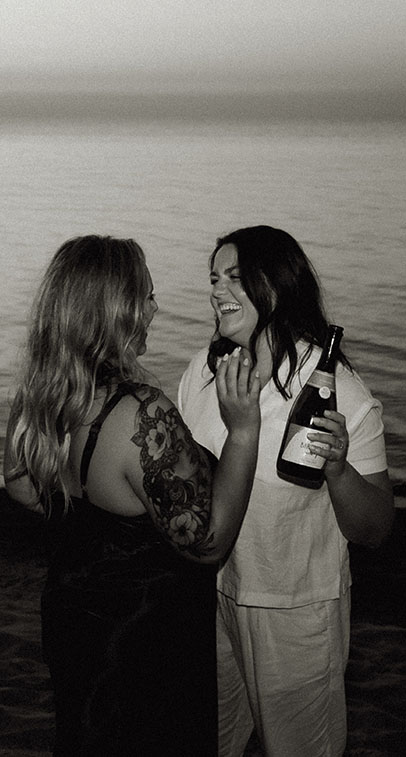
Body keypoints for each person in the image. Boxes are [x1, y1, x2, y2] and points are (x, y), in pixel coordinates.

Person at [3, 234, 261, 756]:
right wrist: (243, 433)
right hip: (142, 639)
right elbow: (207, 542)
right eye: (145, 295)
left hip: (74, 618)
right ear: (115, 308)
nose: (154, 309)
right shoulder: (141, 414)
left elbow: (21, 485)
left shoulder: (42, 393)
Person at [178, 225, 394, 757]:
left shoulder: (337, 391)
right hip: (210, 598)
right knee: (211, 741)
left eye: (234, 278)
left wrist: (339, 470)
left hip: (295, 612)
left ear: (273, 288)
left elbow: (376, 529)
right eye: (213, 278)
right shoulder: (206, 374)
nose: (216, 292)